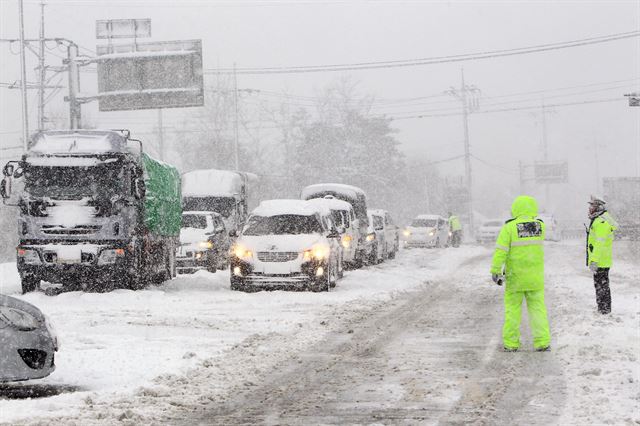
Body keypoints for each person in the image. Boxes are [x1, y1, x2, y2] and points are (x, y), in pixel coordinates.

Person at [490, 195, 551, 352]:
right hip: (535, 278)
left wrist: (496, 271)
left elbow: (500, 252)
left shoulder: (509, 228)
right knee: (538, 310)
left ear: (515, 209)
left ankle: (511, 343)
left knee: (512, 311)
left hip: (515, 278)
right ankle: (542, 342)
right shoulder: (539, 227)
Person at [586, 196, 618, 314]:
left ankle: (604, 310)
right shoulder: (598, 220)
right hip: (601, 259)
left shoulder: (601, 222)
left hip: (601, 260)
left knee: (602, 287)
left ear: (598, 207)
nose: (590, 208)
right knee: (601, 286)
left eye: (592, 206)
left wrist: (594, 260)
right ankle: (603, 309)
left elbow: (599, 243)